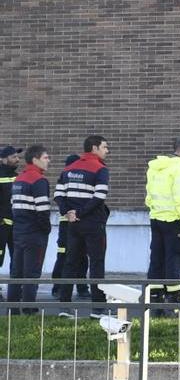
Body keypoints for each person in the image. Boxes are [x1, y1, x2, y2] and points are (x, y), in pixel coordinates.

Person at [56, 135, 111, 317]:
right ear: (94, 148)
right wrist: (79, 213)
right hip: (93, 223)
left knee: (70, 263)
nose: (107, 151)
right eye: (104, 147)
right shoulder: (100, 169)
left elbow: (58, 194)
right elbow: (99, 197)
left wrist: (69, 212)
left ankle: (64, 307)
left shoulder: (69, 169)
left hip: (74, 225)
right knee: (96, 264)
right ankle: (98, 309)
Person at [145, 136, 180, 315]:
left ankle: (155, 304)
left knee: (157, 260)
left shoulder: (155, 168)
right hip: (175, 221)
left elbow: (149, 196)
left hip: (156, 218)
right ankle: (176, 305)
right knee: (175, 260)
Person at [7, 146, 52, 311]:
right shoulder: (39, 180)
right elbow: (42, 210)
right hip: (34, 234)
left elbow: (14, 206)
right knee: (31, 273)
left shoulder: (19, 179)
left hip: (18, 231)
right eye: (46, 157)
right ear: (35, 159)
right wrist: (45, 229)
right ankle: (28, 309)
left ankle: (12, 310)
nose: (48, 160)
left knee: (16, 272)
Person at [50, 154, 88, 300]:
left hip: (80, 222)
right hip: (67, 224)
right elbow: (60, 199)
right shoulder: (65, 179)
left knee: (82, 257)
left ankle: (82, 287)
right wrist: (69, 213)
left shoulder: (79, 179)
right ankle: (58, 287)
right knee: (64, 256)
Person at [0, 145, 19, 285]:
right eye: (13, 157)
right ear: (3, 159)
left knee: (17, 259)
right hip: (2, 225)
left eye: (17, 156)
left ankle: (15, 291)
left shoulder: (17, 177)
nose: (17, 159)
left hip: (17, 226)